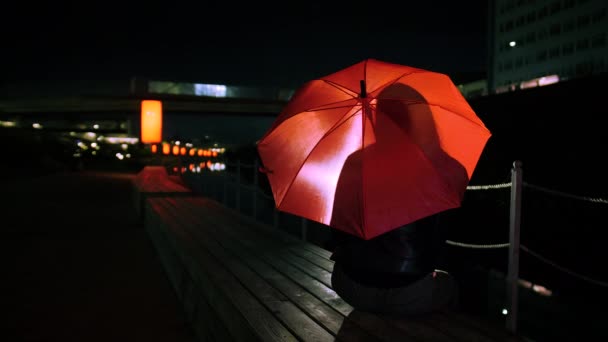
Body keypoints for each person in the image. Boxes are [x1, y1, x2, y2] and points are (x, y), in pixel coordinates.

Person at [326, 81, 463, 316]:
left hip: (350, 286)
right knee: (449, 284)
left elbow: (337, 232)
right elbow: (438, 240)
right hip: (409, 294)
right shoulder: (433, 166)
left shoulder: (354, 162)